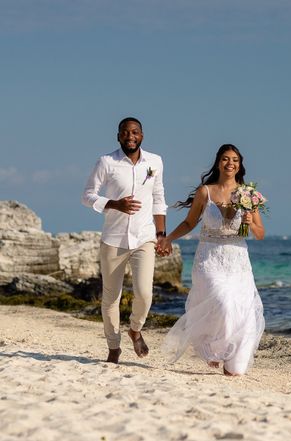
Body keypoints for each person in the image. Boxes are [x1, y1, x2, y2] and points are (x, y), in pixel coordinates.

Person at [157, 144, 265, 376]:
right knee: (222, 300)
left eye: (235, 159)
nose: (230, 163)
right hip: (210, 257)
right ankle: (214, 349)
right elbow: (189, 222)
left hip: (238, 259)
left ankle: (231, 360)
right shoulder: (205, 192)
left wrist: (250, 222)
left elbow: (260, 233)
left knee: (241, 309)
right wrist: (168, 239)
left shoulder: (247, 194)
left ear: (240, 164)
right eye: (225, 159)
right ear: (218, 162)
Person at [82, 117, 168, 364]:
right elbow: (87, 196)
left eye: (135, 132)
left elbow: (159, 198)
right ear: (118, 136)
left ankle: (135, 328)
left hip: (144, 237)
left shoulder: (155, 162)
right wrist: (113, 204)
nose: (130, 136)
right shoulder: (106, 162)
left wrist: (161, 235)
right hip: (113, 239)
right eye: (125, 132)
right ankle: (113, 346)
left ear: (142, 135)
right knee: (111, 297)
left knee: (144, 294)